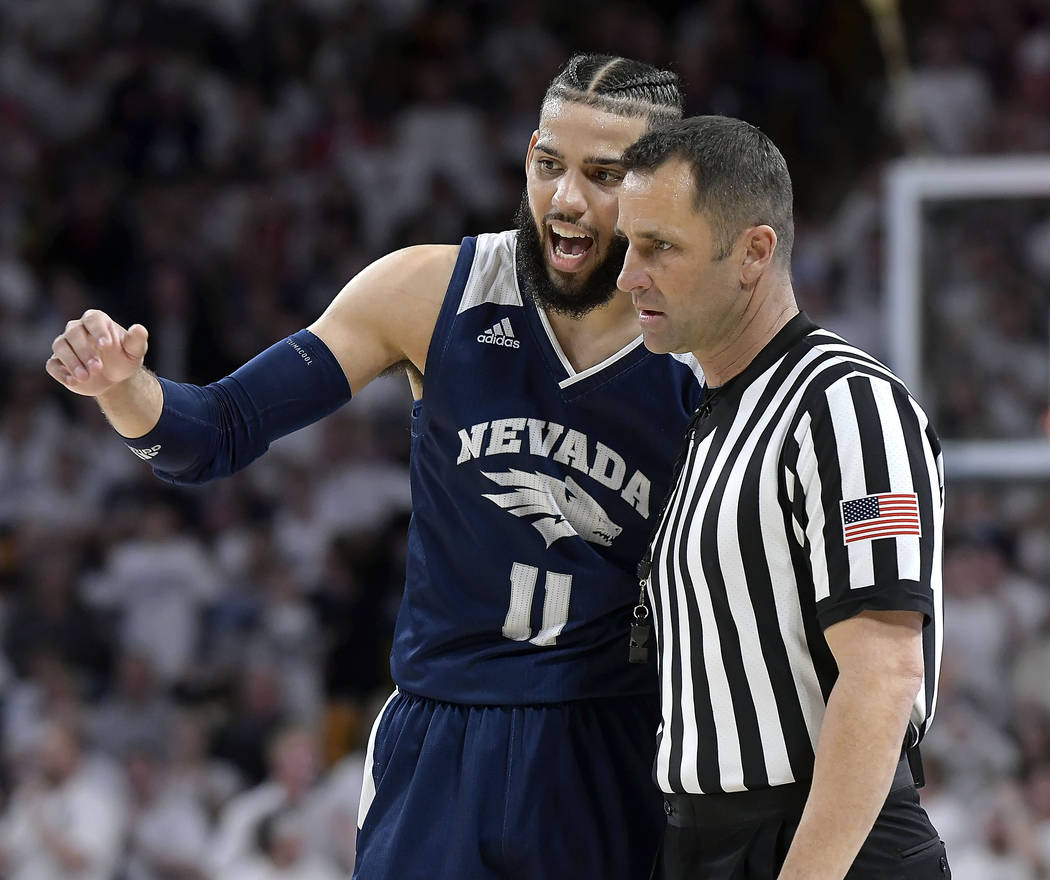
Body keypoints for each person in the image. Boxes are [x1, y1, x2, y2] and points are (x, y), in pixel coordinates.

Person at [46, 55, 704, 879]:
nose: (566, 199)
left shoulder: (705, 347)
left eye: (603, 175)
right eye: (549, 165)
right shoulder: (431, 290)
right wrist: (124, 387)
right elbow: (215, 431)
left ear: (666, 186)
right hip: (440, 737)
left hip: (613, 739)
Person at [615, 115, 949, 879]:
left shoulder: (846, 404)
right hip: (704, 840)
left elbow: (884, 673)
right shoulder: (710, 415)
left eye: (659, 247)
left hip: (828, 843)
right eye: (631, 245)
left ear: (754, 254)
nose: (630, 273)